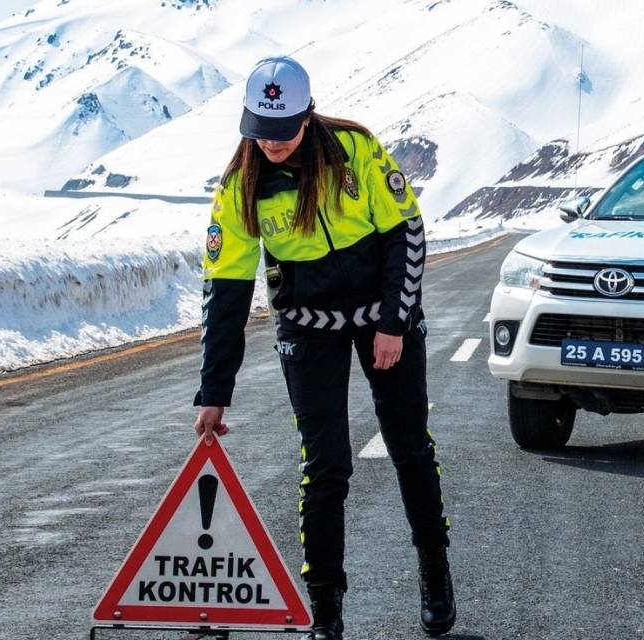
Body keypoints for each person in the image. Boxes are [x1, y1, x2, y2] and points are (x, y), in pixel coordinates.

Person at [191, 56, 455, 638]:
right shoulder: (239, 186)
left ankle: (435, 573)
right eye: (260, 132)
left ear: (307, 117)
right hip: (306, 327)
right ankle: (325, 609)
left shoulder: (355, 150)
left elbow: (406, 232)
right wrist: (214, 393)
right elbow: (225, 295)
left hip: (383, 316)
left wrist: (394, 320)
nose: (272, 145)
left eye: (283, 133)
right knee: (326, 462)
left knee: (410, 445)